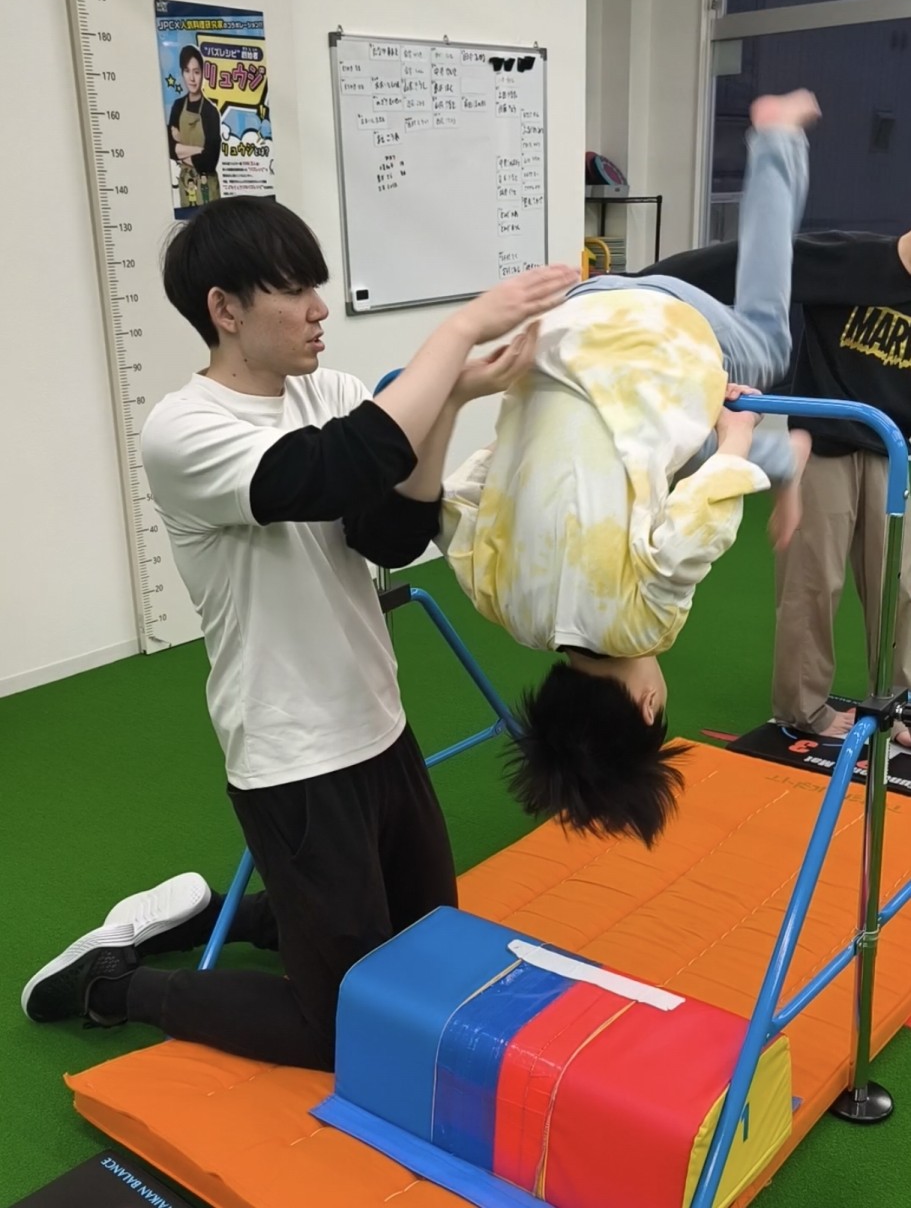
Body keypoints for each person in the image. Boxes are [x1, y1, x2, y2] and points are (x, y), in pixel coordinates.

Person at [20, 195, 577, 1068]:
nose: (320, 310)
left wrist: (452, 400)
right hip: (292, 753)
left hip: (377, 722)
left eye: (318, 287)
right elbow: (326, 471)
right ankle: (113, 983)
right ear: (225, 309)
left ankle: (225, 915)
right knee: (343, 1028)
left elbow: (386, 535)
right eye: (294, 291)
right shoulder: (182, 430)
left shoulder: (332, 393)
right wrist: (462, 328)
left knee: (423, 961)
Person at [437, 90, 820, 848]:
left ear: (646, 707)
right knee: (667, 461)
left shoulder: (643, 624)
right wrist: (520, 447)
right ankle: (783, 462)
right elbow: (458, 496)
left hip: (662, 332)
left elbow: (698, 527)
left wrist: (739, 434)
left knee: (767, 354)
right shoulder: (499, 604)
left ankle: (777, 140)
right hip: (569, 319)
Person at [635, 226, 911, 745]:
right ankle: (803, 708)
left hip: (896, 452)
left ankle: (903, 706)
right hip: (823, 445)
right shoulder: (845, 259)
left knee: (900, 587)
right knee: (811, 582)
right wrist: (639, 284)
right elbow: (741, 261)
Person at [168, 46, 222, 209]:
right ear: (182, 73)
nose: (192, 78)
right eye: (187, 71)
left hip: (207, 185)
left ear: (203, 74)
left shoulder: (210, 111)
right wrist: (199, 150)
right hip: (186, 184)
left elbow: (210, 161)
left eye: (196, 72)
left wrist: (181, 151)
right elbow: (170, 149)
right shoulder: (178, 106)